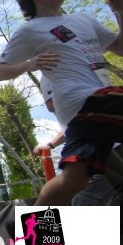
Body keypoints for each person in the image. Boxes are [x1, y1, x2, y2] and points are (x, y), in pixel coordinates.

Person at [0, 0, 123, 206]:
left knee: (75, 178)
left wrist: (119, 11)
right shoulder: (30, 30)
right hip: (78, 101)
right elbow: (2, 71)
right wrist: (31, 63)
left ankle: (32, 227)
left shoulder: (84, 20)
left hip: (97, 106)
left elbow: (120, 48)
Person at [33, 76, 123, 206]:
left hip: (105, 130)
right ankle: (33, 219)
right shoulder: (51, 72)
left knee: (75, 180)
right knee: (74, 180)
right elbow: (52, 106)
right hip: (89, 130)